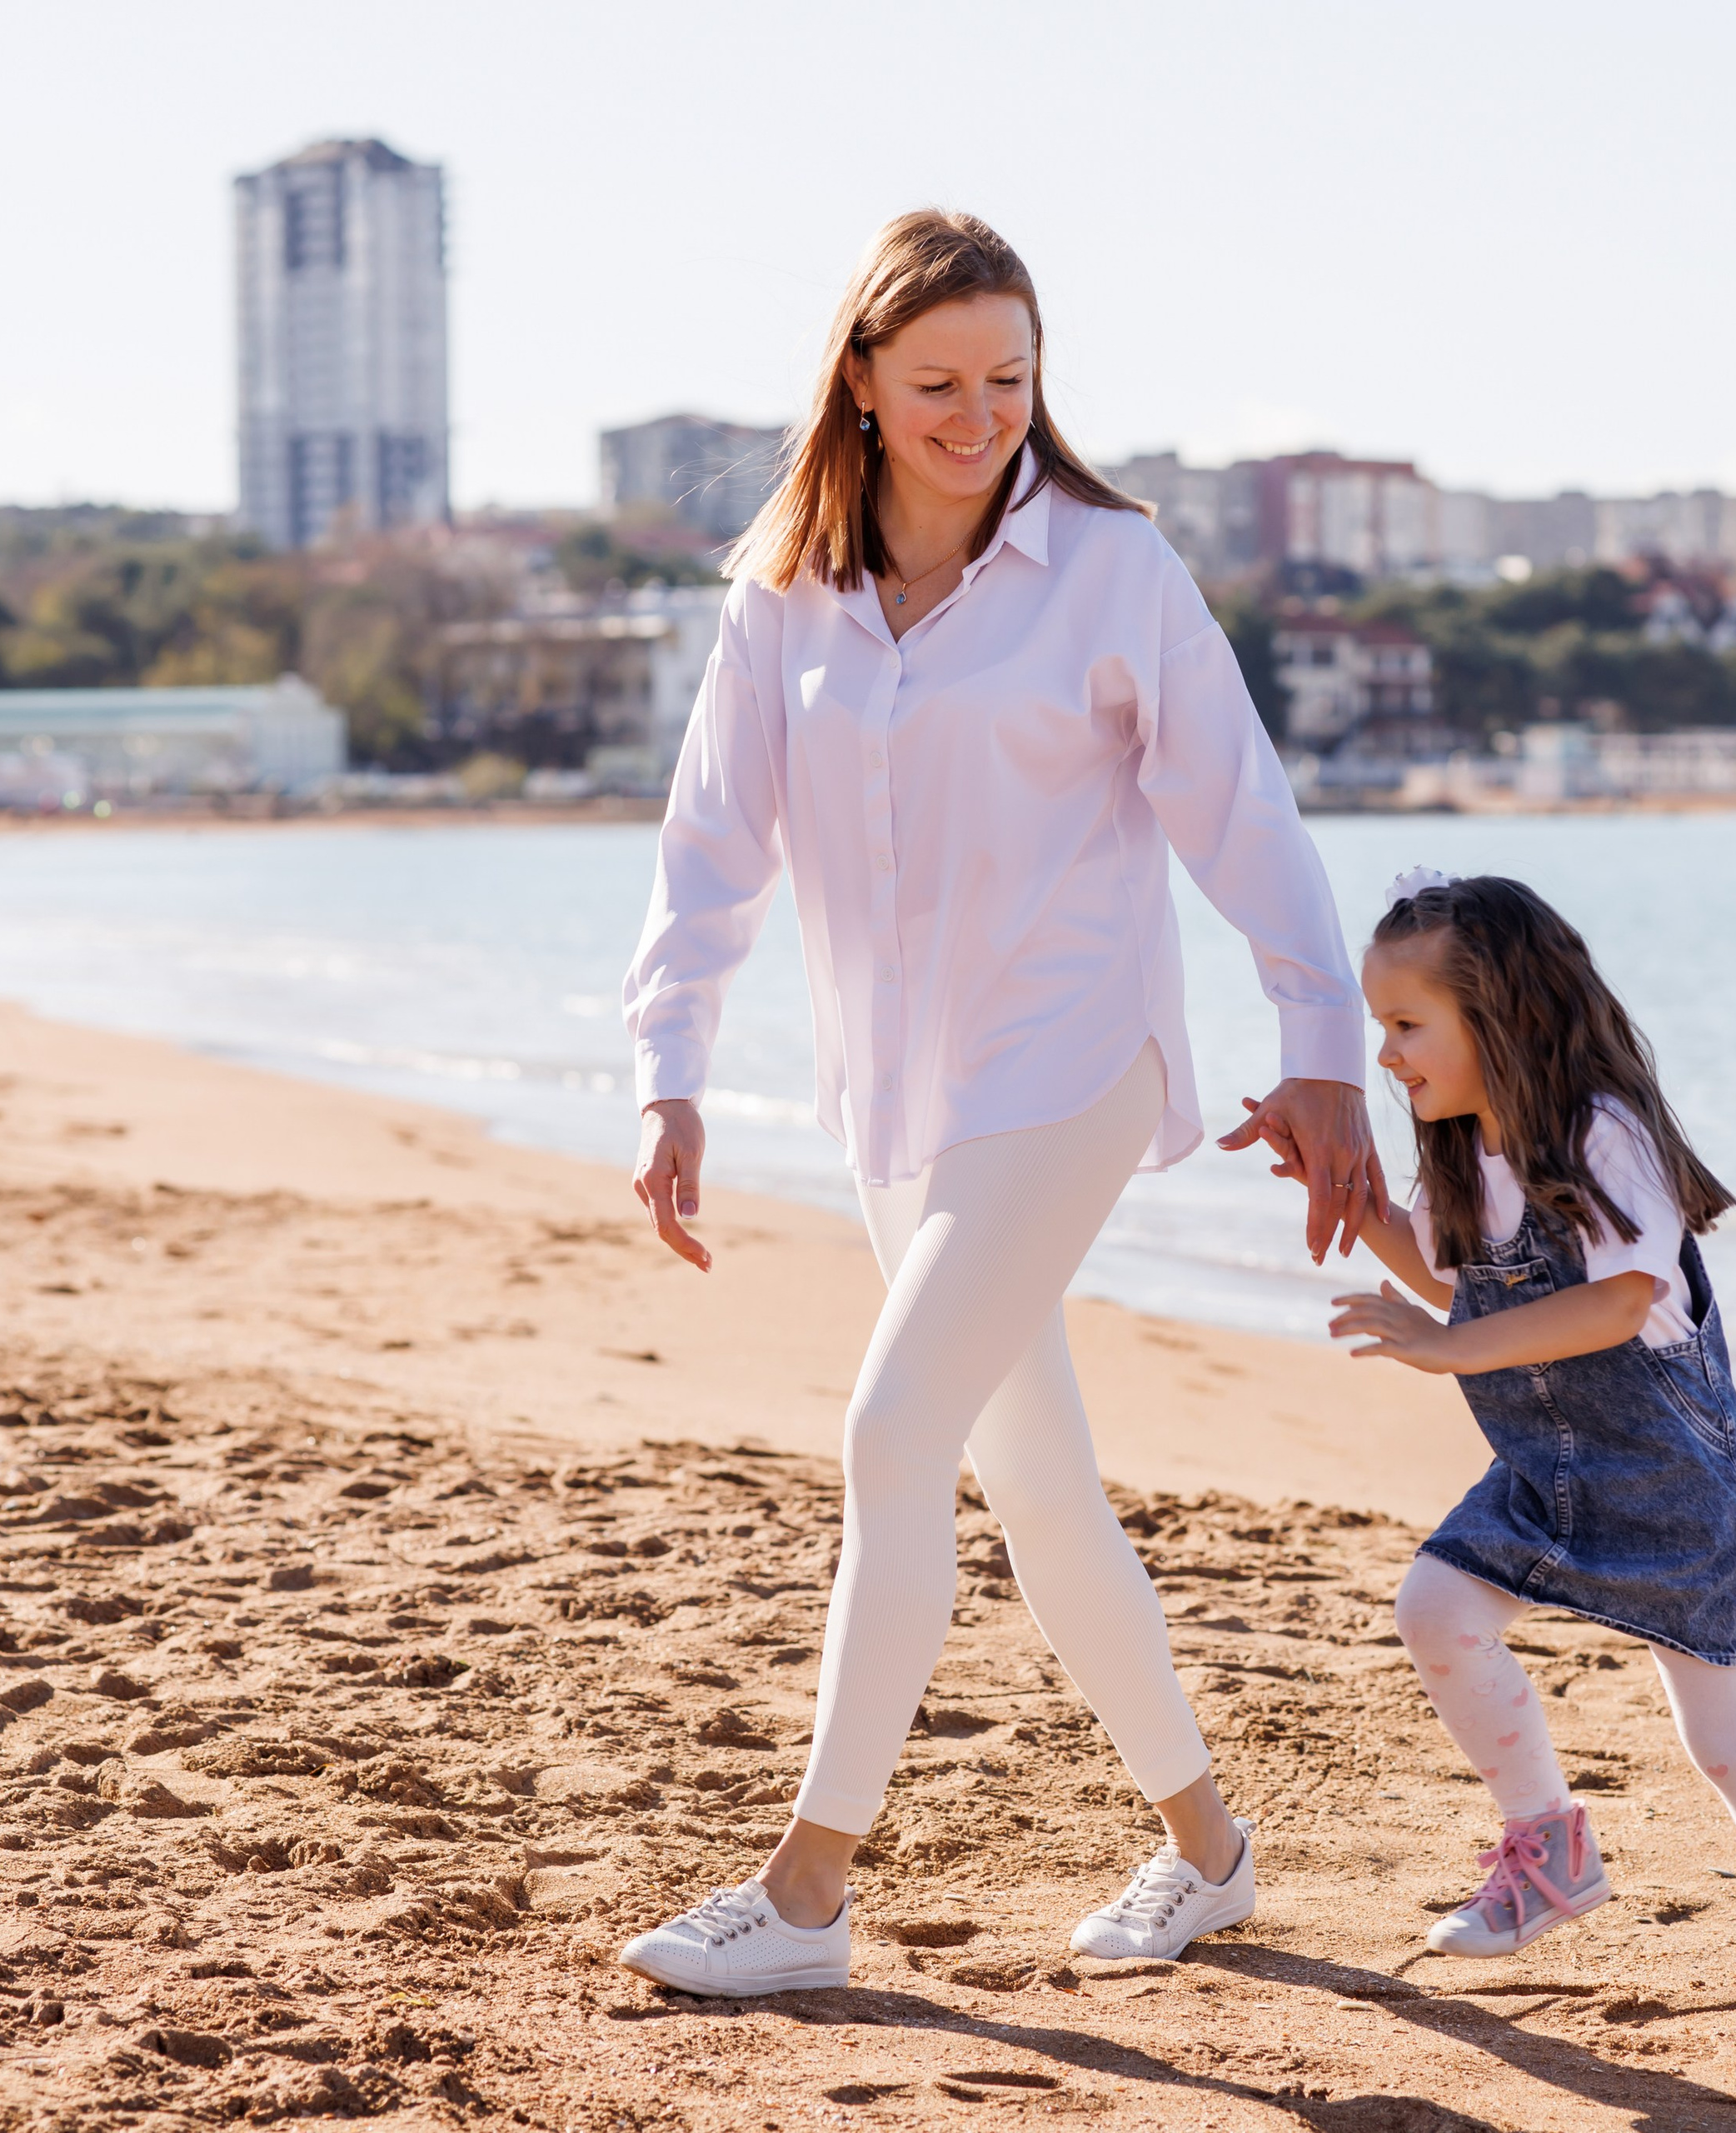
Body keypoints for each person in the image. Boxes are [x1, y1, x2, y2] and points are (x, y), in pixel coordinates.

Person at [615, 210, 1383, 1997]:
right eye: (941, 382)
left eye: (1011, 380)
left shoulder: (1113, 567)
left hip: (1071, 1065)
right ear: (865, 387)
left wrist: (1320, 1040)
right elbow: (708, 852)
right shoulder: (782, 596)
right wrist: (670, 1074)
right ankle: (1210, 1849)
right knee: (1035, 1480)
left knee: (892, 1436)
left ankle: (806, 1891)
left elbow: (1239, 815)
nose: (979, 416)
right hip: (903, 1100)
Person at [1327, 867, 1736, 2096]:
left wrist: (1444, 1348)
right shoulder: (1467, 1151)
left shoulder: (1604, 1133)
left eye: (1407, 1025)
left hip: (1672, 1489)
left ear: (1506, 1017)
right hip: (1549, 1472)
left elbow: (1617, 1303)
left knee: (1728, 1745)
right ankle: (1550, 1848)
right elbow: (1460, 1284)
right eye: (1380, 1028)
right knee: (1438, 1610)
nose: (1387, 1055)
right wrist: (1345, 1193)